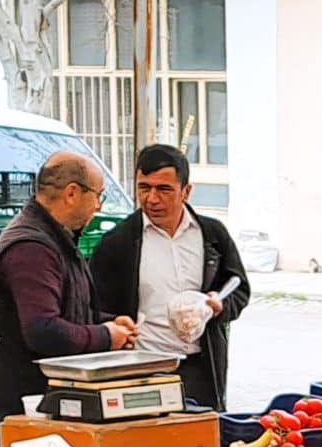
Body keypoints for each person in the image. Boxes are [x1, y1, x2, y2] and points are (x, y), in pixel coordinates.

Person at [0, 152, 136, 447]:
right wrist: (106, 336)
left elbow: (68, 309)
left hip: (44, 395)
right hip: (21, 400)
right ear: (72, 193)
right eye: (98, 195)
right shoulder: (31, 248)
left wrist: (109, 323)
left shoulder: (56, 238)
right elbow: (43, 330)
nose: (99, 206)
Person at [90, 144, 252, 410]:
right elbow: (95, 306)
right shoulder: (117, 243)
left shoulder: (212, 235)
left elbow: (239, 288)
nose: (152, 199)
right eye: (144, 188)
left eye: (164, 189)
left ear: (186, 192)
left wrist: (220, 306)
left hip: (202, 367)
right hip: (141, 370)